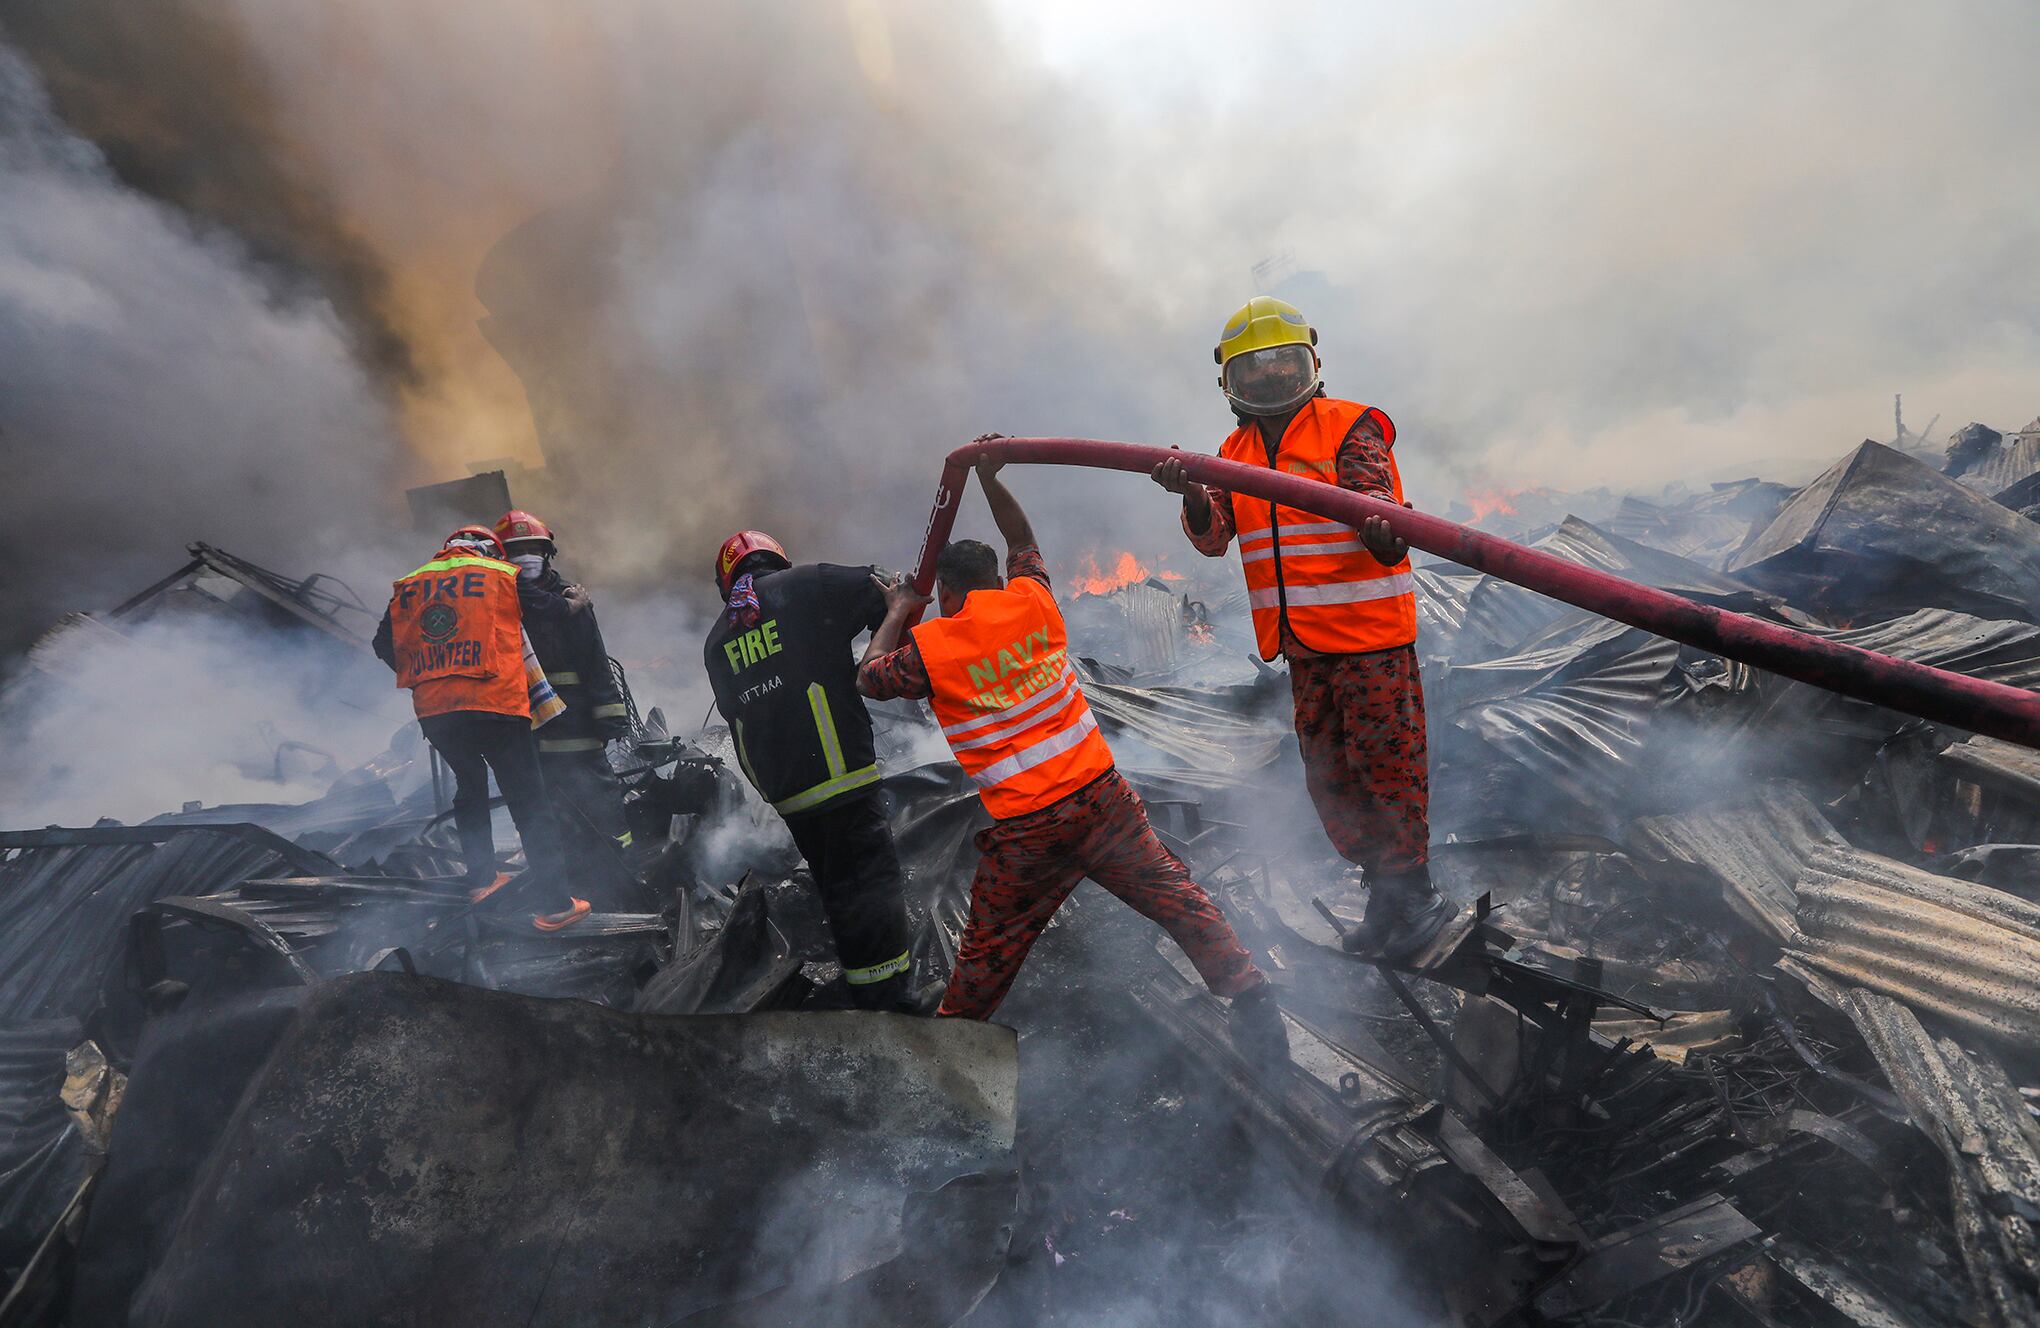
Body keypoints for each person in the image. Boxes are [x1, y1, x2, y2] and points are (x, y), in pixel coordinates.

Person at [857, 455, 1287, 1059]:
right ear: (996, 579)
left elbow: (869, 679)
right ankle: (1251, 997)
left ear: (947, 594)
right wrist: (989, 476)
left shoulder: (933, 646)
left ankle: (950, 1064)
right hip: (1104, 798)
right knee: (1176, 897)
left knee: (985, 958)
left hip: (1029, 830)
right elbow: (1022, 539)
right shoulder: (1033, 600)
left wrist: (900, 606)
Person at [1151, 295, 1450, 961]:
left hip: (1370, 637)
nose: (1269, 381)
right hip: (1302, 646)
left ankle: (1417, 896)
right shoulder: (1233, 450)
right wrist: (1194, 494)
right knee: (1330, 777)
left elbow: (1385, 514)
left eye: (1282, 365)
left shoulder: (1350, 427)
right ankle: (1385, 893)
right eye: (1253, 372)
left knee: (1386, 771)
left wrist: (1381, 525)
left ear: (1309, 363)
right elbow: (1214, 539)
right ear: (1231, 382)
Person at [702, 530, 919, 1011]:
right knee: (873, 888)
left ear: (727, 581)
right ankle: (893, 1003)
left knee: (838, 888)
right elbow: (883, 587)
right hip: (842, 779)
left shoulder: (718, 640)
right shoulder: (808, 585)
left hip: (790, 796)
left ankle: (864, 988)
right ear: (777, 559)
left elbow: (737, 717)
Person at [373, 525, 569, 893]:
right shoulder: (499, 574)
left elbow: (383, 642)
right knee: (527, 797)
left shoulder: (410, 584)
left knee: (469, 786)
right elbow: (547, 607)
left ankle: (482, 881)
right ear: (492, 551)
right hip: (497, 706)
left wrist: (423, 676)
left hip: (438, 712)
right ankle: (556, 904)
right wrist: (576, 604)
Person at [493, 510, 638, 879]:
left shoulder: (570, 597)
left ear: (547, 553)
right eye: (517, 550)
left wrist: (610, 719)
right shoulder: (501, 602)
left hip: (578, 728)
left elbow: (595, 660)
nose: (526, 557)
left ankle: (620, 870)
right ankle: (564, 879)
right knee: (545, 810)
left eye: (533, 548)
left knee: (600, 801)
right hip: (528, 730)